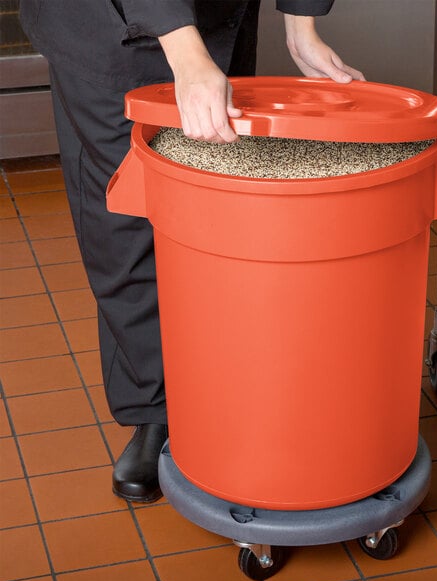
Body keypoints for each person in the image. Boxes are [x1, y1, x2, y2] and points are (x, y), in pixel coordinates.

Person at [19, 0, 364, 503]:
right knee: (127, 217)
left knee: (217, 202)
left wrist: (300, 24)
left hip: (217, 14)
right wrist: (185, 54)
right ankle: (154, 411)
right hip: (103, 26)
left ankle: (223, 383)